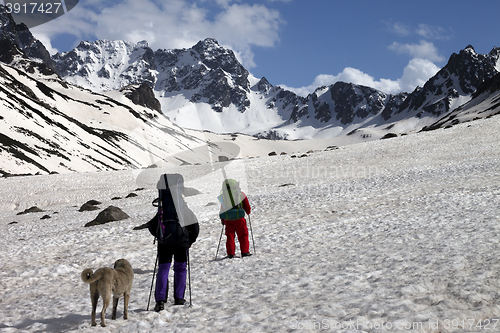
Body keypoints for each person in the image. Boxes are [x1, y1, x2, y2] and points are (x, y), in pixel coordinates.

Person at [148, 173, 199, 312]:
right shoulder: (183, 207)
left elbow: (152, 226)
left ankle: (160, 301)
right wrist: (189, 241)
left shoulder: (163, 208)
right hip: (181, 242)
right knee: (180, 268)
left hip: (164, 242)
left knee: (163, 269)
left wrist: (160, 236)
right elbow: (195, 227)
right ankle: (179, 298)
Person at [218, 179, 252, 258]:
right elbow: (247, 207)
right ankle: (244, 252)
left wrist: (223, 220)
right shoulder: (241, 194)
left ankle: (230, 253)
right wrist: (247, 212)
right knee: (243, 235)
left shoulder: (223, 196)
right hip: (239, 218)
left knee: (230, 236)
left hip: (228, 219)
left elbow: (222, 209)